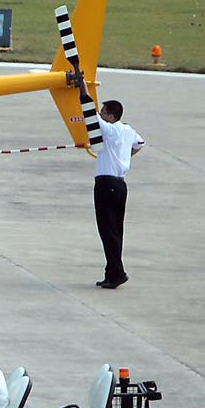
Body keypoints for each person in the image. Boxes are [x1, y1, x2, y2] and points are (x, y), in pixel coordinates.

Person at [94, 99, 145, 289]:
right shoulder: (128, 130)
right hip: (120, 184)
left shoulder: (110, 129)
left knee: (108, 231)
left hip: (106, 184)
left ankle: (117, 273)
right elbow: (140, 143)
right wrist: (123, 157)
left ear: (111, 116)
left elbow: (88, 112)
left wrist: (81, 90)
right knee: (115, 230)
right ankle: (112, 272)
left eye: (103, 112)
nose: (101, 115)